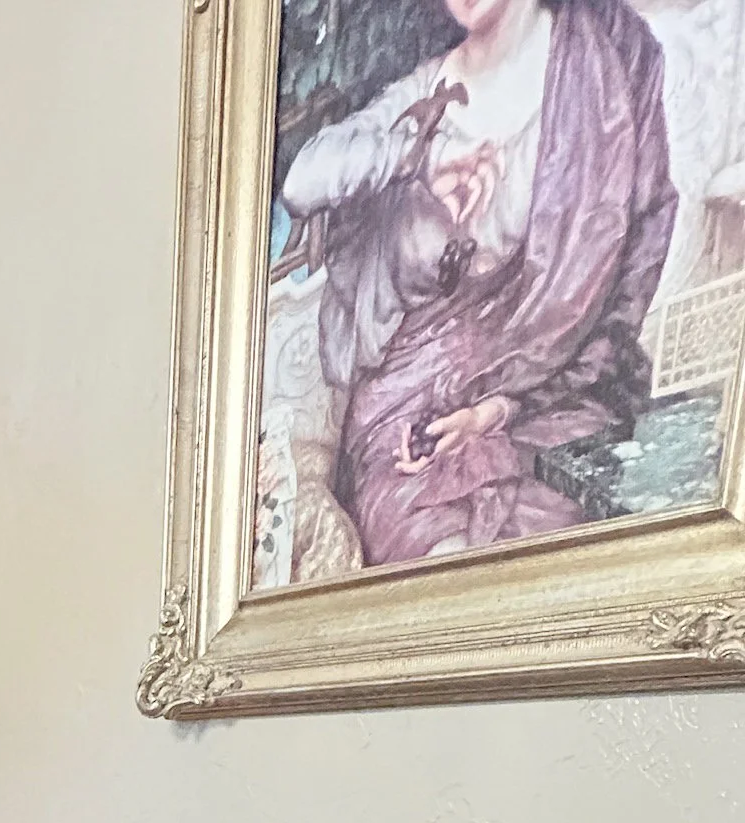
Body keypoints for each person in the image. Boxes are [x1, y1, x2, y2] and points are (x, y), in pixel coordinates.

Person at [281, 0, 676, 564]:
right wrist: (416, 159)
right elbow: (303, 181)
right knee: (435, 549)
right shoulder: (430, 91)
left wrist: (498, 409)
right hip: (407, 405)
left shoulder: (601, 70)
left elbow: (637, 247)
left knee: (564, 542)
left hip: (543, 389)